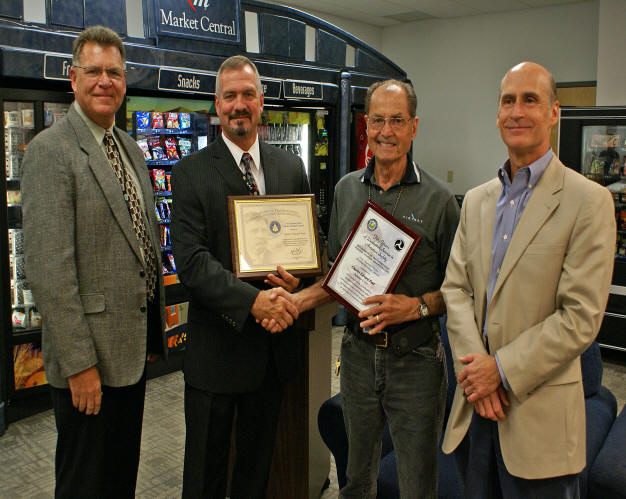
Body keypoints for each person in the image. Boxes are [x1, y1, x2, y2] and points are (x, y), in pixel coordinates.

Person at [266, 79, 460, 498]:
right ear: (366, 125)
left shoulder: (440, 201)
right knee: (355, 479)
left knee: (416, 483)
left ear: (414, 127)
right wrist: (296, 300)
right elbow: (336, 278)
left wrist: (415, 308)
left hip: (417, 361)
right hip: (356, 356)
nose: (386, 131)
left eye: (397, 120)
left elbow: (461, 291)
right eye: (377, 120)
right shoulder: (345, 189)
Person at [441, 61, 616, 498]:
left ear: (554, 112)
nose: (516, 111)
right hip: (473, 412)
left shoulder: (588, 202)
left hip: (539, 423)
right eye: (507, 101)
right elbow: (455, 290)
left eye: (530, 100)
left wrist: (498, 370)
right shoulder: (477, 201)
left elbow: (579, 317)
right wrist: (477, 376)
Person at [21, 26, 166, 498]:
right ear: (73, 77)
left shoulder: (128, 147)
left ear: (125, 80)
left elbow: (138, 241)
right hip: (89, 363)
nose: (105, 81)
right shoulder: (50, 151)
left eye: (114, 72)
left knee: (120, 476)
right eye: (94, 71)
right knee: (85, 482)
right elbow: (49, 270)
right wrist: (81, 365)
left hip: (129, 351)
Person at [170, 55, 309, 498]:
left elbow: (308, 244)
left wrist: (296, 281)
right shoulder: (190, 172)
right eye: (229, 96)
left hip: (272, 354)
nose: (239, 104)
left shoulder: (289, 168)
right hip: (217, 355)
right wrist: (252, 302)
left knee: (256, 472)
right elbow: (191, 262)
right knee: (205, 477)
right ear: (217, 104)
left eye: (248, 94)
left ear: (262, 102)